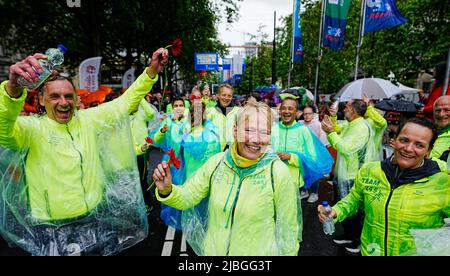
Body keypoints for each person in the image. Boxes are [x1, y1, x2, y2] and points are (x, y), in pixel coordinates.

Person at [0, 48, 168, 256]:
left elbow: (126, 102)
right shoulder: (31, 129)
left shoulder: (88, 120)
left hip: (92, 218)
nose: (63, 102)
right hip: (50, 226)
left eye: (69, 96)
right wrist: (12, 89)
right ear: (41, 100)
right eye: (55, 96)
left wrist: (151, 72)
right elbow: (4, 131)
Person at [153, 101, 301, 256]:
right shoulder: (217, 163)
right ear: (235, 131)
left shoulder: (277, 172)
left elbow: (289, 231)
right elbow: (188, 197)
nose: (257, 140)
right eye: (249, 130)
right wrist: (167, 190)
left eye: (264, 132)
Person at [318, 118, 450, 256]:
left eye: (419, 145)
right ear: (394, 140)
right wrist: (335, 211)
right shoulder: (370, 170)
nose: (409, 148)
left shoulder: (443, 183)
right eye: (404, 140)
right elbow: (355, 199)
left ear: (428, 151)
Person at [153, 97, 221, 230]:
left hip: (196, 172)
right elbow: (159, 140)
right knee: (187, 199)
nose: (178, 107)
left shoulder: (205, 130)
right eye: (176, 105)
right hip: (180, 168)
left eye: (181, 105)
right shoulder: (183, 126)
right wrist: (164, 131)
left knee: (197, 203)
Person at [321, 99, 379, 254]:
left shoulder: (361, 127)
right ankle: (348, 235)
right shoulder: (352, 124)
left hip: (354, 176)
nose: (343, 109)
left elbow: (346, 148)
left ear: (353, 111)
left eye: (346, 107)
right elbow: (338, 131)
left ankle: (357, 240)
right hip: (343, 174)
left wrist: (331, 132)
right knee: (342, 206)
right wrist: (332, 121)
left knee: (354, 211)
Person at [272, 97, 333, 193]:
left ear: (296, 112)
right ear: (280, 111)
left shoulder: (303, 131)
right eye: (283, 108)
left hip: (294, 183)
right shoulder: (273, 129)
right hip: (274, 181)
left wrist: (291, 157)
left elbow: (312, 159)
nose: (286, 111)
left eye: (290, 108)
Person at [300, 105, 331, 203]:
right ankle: (304, 190)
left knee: (314, 173)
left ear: (313, 114)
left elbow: (323, 141)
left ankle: (314, 193)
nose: (307, 116)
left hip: (314, 154)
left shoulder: (318, 125)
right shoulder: (300, 124)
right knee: (303, 172)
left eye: (309, 113)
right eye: (305, 114)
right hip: (302, 153)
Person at [206, 84, 239, 150]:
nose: (226, 98)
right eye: (224, 95)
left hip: (233, 153)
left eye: (229, 96)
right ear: (218, 95)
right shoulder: (210, 112)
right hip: (214, 152)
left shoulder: (239, 112)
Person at [431, 95, 450, 163]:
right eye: (438, 110)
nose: (441, 114)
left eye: (447, 110)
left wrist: (426, 162)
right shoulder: (426, 130)